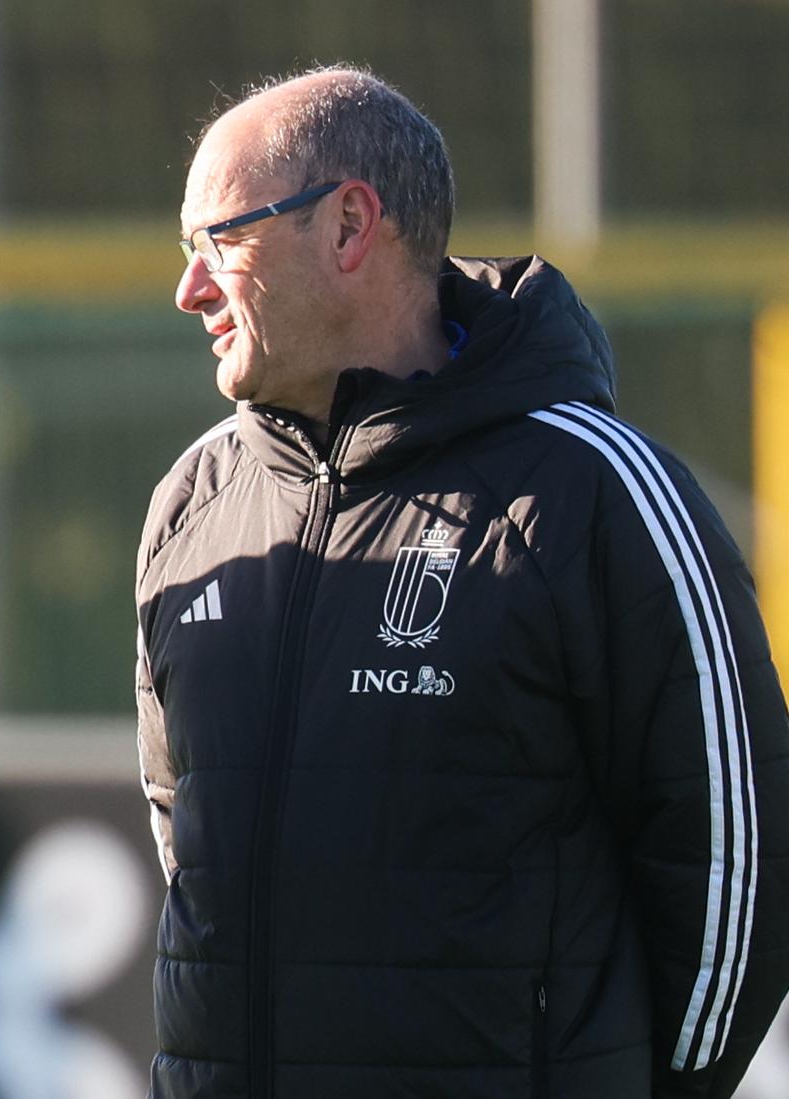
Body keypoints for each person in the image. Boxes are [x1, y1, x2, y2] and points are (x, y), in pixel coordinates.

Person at [135, 66, 789, 1098]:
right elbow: (186, 838)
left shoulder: (594, 494)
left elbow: (733, 867)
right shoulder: (192, 505)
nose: (190, 288)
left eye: (220, 239)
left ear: (351, 226)